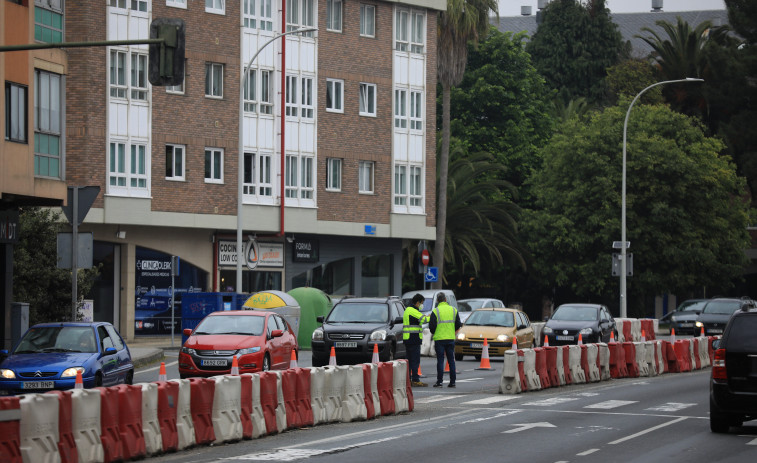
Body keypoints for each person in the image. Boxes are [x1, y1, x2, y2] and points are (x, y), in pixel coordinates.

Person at [429, 293, 462, 388]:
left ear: (438, 301)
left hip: (439, 339)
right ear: (445, 300)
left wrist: (436, 332)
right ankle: (452, 382)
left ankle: (439, 382)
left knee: (440, 360)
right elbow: (458, 324)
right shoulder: (453, 310)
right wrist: (451, 330)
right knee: (451, 360)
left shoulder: (435, 311)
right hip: (450, 338)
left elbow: (432, 327)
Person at [403, 293, 430, 387]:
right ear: (417, 302)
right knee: (415, 360)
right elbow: (424, 319)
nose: (422, 305)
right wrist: (432, 317)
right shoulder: (412, 310)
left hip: (409, 339)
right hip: (413, 339)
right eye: (422, 303)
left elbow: (419, 319)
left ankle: (408, 380)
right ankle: (415, 380)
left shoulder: (408, 310)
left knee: (409, 360)